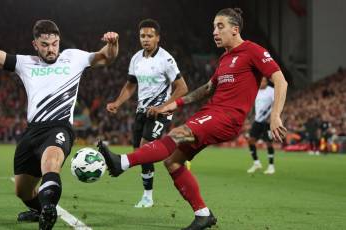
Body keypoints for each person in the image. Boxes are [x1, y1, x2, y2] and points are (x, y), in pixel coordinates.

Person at [98, 8, 287, 230]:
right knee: (173, 162)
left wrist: (275, 116)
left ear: (235, 29)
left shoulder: (253, 50)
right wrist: (174, 104)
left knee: (176, 134)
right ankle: (203, 214)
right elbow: (207, 89)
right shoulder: (226, 58)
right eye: (213, 27)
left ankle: (123, 163)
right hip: (211, 112)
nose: (214, 32)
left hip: (226, 117)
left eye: (220, 26)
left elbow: (280, 79)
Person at [0, 7, 118, 230]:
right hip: (33, 132)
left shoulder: (73, 58)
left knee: (50, 164)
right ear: (35, 44)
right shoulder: (25, 63)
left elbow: (105, 57)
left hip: (59, 128)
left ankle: (48, 211)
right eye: (45, 45)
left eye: (54, 43)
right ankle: (39, 208)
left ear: (59, 41)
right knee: (23, 191)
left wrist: (112, 43)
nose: (51, 49)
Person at [106, 19, 188, 208]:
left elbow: (182, 87)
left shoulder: (166, 60)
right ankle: (174, 150)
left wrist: (163, 107)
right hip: (142, 111)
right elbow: (130, 84)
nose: (146, 39)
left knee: (145, 148)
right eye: (143, 36)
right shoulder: (136, 58)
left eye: (150, 36)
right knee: (140, 153)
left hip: (161, 113)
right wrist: (117, 102)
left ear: (158, 38)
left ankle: (148, 197)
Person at [247, 77, 276, 174]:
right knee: (251, 140)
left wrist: (273, 117)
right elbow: (256, 106)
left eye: (263, 81)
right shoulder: (256, 91)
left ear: (267, 82)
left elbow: (276, 104)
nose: (260, 83)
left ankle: (271, 166)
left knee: (269, 142)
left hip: (268, 121)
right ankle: (256, 163)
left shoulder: (271, 91)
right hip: (257, 120)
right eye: (260, 81)